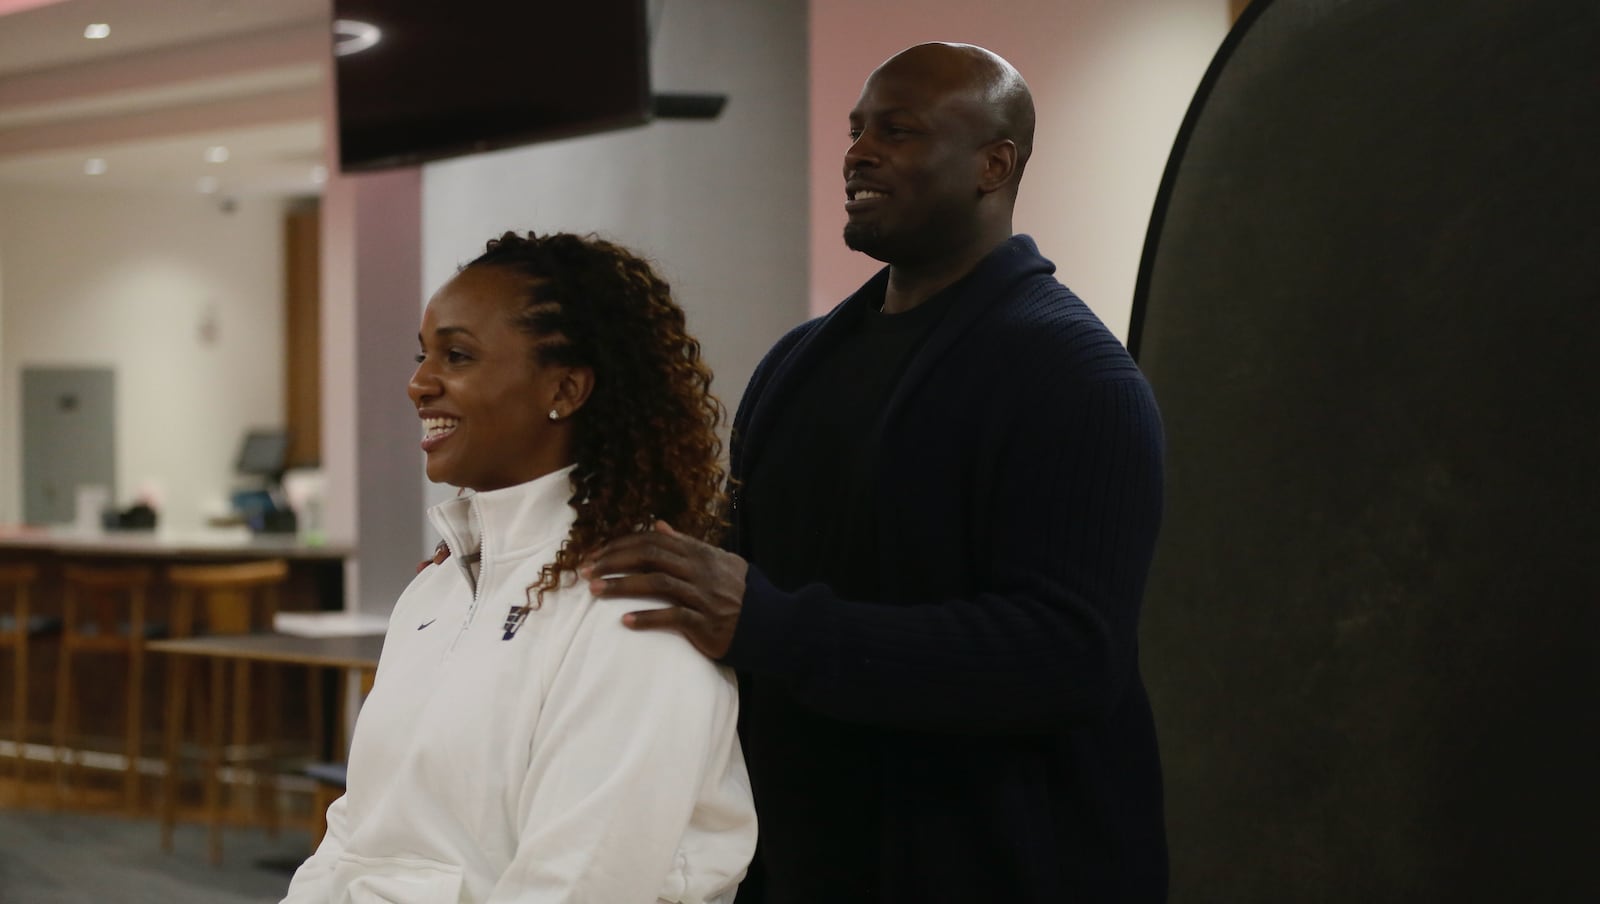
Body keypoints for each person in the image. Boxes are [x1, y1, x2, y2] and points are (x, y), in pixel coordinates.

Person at [582, 42, 1167, 902]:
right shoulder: (800, 362)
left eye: (898, 131)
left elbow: (1068, 656)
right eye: (857, 129)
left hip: (1002, 866)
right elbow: (741, 564)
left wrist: (775, 624)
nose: (858, 151)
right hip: (802, 856)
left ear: (993, 165)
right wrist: (535, 572)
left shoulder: (1075, 375)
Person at [282, 232, 757, 903]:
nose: (419, 383)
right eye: (424, 355)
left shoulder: (634, 605)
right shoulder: (433, 592)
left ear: (564, 387)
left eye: (458, 355)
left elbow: (580, 886)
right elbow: (355, 836)